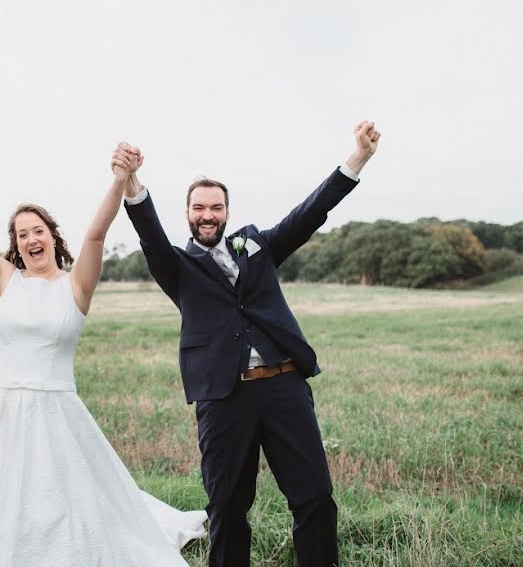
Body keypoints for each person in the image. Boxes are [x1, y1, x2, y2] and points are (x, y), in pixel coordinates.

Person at [0, 147, 207, 567]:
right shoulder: (4, 278)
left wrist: (121, 178)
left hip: (54, 411)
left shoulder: (76, 287)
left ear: (52, 235)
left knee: (55, 501)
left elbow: (96, 236)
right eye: (22, 234)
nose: (31, 239)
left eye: (38, 230)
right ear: (16, 245)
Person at [119, 121, 382, 567]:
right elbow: (149, 231)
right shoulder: (176, 266)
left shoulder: (256, 245)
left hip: (284, 387)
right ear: (187, 213)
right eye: (199, 207)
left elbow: (309, 213)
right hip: (225, 398)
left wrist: (357, 158)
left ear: (226, 211)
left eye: (216, 207)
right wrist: (130, 180)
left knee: (315, 496)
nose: (207, 214)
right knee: (226, 507)